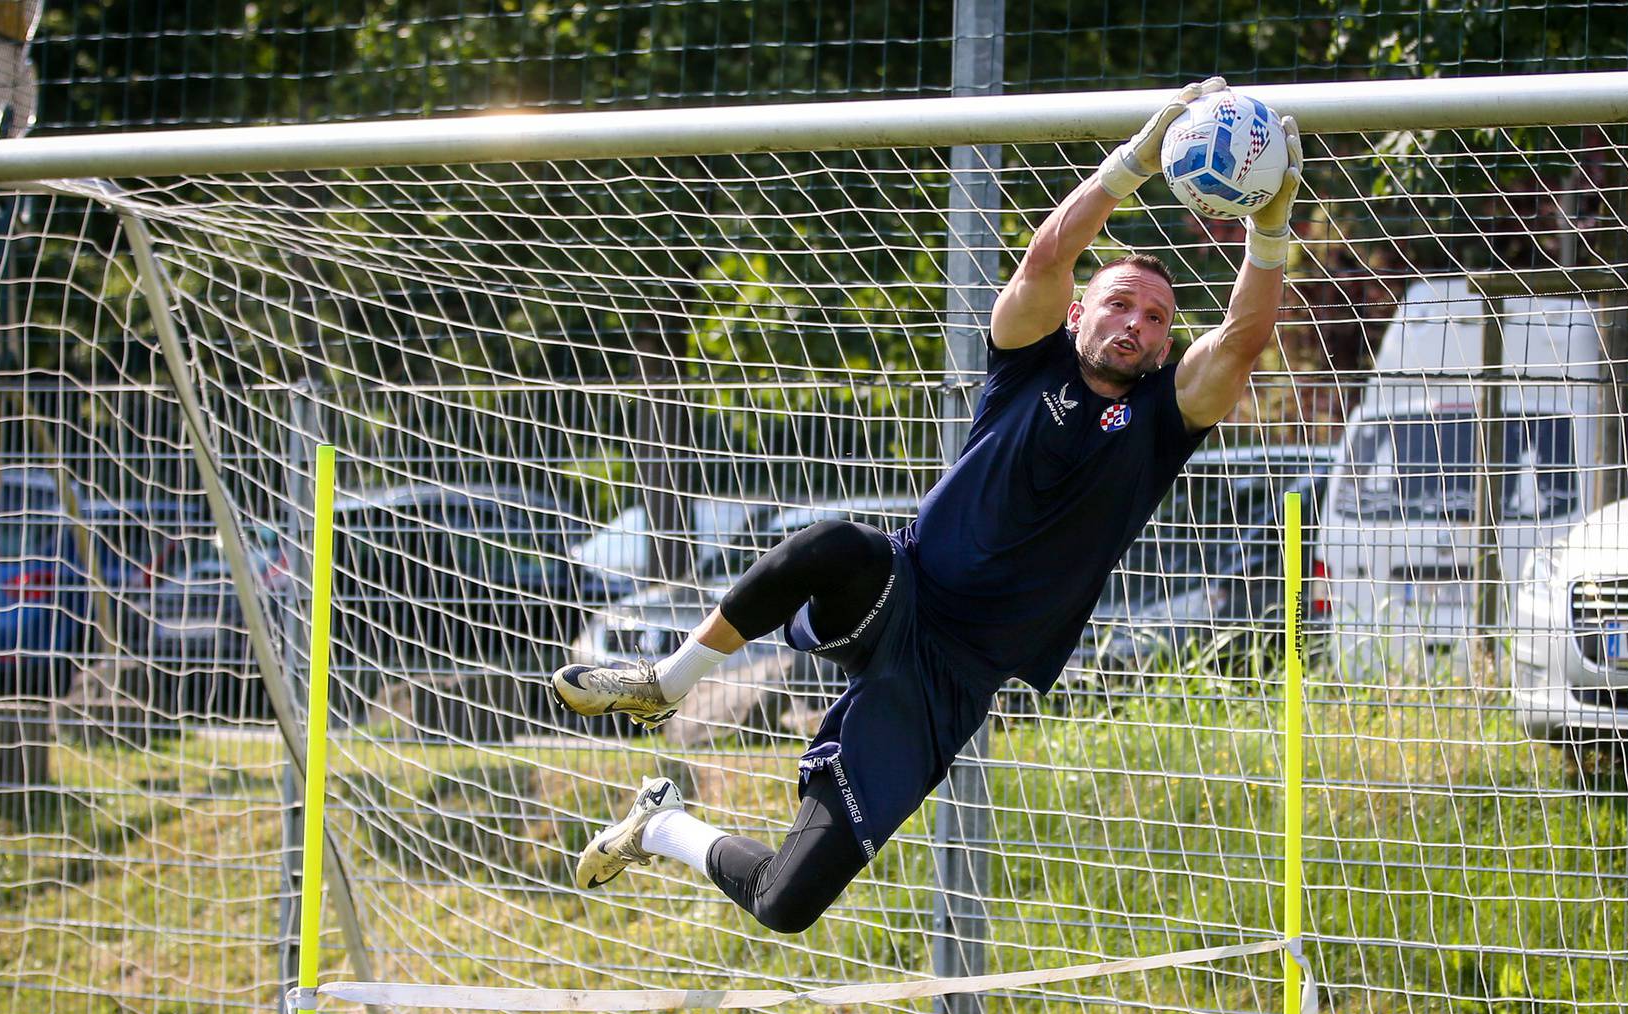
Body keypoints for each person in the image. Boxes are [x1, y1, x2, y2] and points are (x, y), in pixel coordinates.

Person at [551, 78, 1302, 933]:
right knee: (831, 542)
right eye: (1120, 303)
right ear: (1082, 313)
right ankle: (663, 683)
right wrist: (1131, 163)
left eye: (1158, 318)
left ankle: (662, 822)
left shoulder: (1164, 419)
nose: (1137, 324)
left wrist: (1271, 223)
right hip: (902, 589)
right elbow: (1046, 259)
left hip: (952, 679)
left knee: (788, 903)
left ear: (1168, 340)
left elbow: (1242, 340)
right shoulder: (1029, 361)